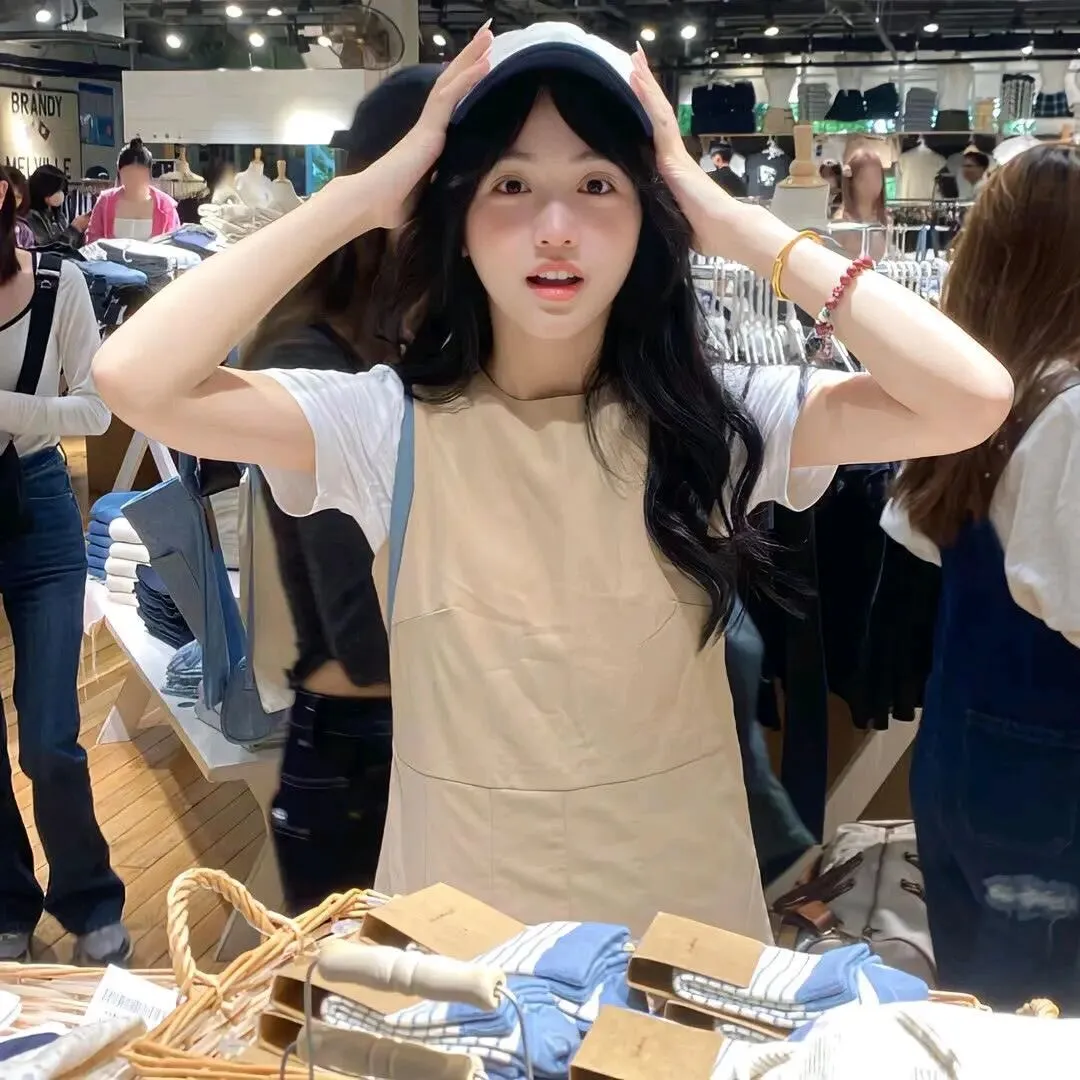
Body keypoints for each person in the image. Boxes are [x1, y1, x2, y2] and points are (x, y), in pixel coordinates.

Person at [91, 23, 1011, 937]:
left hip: (678, 939)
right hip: (464, 946)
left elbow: (970, 397)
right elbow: (136, 378)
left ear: (650, 214)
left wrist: (743, 226)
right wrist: (359, 199)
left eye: (597, 184)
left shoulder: (719, 421)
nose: (557, 229)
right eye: (512, 184)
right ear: (456, 218)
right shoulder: (382, 426)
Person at [885, 143, 1080, 1010]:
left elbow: (921, 542)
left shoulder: (969, 404)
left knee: (984, 1010)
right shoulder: (1068, 413)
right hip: (1051, 786)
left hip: (960, 764)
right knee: (1047, 1028)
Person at [243, 66, 439, 914]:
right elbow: (363, 634)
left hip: (427, 743)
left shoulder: (409, 339)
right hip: (366, 753)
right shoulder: (311, 358)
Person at [0, 167, 128, 964]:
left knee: (49, 737)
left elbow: (97, 407)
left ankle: (89, 899)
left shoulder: (58, 284)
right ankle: (6, 901)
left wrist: (6, 409)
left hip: (39, 501)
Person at [84, 138, 180, 243]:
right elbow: (92, 240)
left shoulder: (166, 206)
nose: (135, 181)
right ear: (119, 174)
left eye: (140, 176)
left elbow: (175, 244)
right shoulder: (105, 201)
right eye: (129, 176)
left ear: (149, 174)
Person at [834, 148, 887, 258]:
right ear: (852, 182)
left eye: (876, 178)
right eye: (865, 179)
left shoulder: (884, 218)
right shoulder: (841, 222)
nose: (872, 185)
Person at [26, 166, 89, 248]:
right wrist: (74, 229)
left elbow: (70, 247)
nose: (61, 194)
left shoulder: (58, 215)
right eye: (57, 190)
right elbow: (48, 250)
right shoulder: (31, 218)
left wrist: (81, 231)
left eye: (62, 190)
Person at [4, 168, 34, 249]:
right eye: (9, 195)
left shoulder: (24, 230)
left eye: (18, 197)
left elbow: (31, 253)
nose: (13, 201)